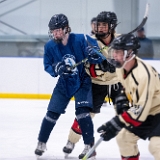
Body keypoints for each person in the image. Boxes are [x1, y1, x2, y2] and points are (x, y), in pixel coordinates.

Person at [34, 13, 101, 159]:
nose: (54, 33)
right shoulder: (50, 46)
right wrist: (56, 68)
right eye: (53, 31)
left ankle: (89, 146)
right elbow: (48, 65)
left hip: (83, 81)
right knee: (52, 113)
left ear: (66, 29)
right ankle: (41, 142)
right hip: (64, 83)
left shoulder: (80, 39)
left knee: (83, 113)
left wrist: (94, 53)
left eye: (57, 30)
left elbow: (98, 54)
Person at [63, 11, 123, 158]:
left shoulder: (122, 40)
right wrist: (98, 63)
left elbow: (131, 60)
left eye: (104, 25)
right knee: (86, 115)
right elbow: (82, 60)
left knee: (128, 115)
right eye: (98, 25)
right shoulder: (89, 41)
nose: (100, 28)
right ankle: (75, 142)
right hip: (96, 83)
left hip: (117, 83)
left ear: (112, 26)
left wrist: (116, 64)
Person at [97, 33, 160, 160]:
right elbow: (124, 86)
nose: (114, 55)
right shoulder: (122, 68)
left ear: (130, 53)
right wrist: (122, 99)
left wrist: (117, 122)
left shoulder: (143, 75)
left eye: (118, 52)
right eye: (114, 51)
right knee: (124, 138)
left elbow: (141, 110)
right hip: (149, 111)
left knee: (156, 146)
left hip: (157, 111)